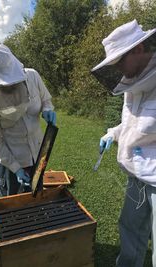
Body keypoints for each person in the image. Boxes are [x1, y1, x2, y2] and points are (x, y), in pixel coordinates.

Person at [91, 20, 156, 267]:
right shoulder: (132, 83)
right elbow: (132, 123)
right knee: (129, 228)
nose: (118, 70)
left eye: (120, 61)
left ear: (138, 50)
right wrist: (113, 134)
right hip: (136, 175)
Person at [0, 44, 56, 196]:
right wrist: (16, 168)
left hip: (38, 156)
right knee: (11, 206)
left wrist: (48, 109)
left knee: (36, 197)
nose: (10, 88)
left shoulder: (33, 76)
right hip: (11, 162)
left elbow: (46, 99)